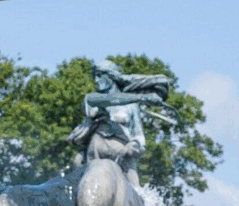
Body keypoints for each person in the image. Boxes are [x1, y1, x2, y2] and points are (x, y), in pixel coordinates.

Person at [67, 60, 174, 188]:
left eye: (100, 75)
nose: (96, 80)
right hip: (95, 152)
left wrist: (133, 145)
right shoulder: (92, 99)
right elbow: (112, 99)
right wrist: (144, 97)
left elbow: (139, 135)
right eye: (94, 75)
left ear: (112, 76)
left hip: (123, 155)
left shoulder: (131, 106)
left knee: (137, 192)